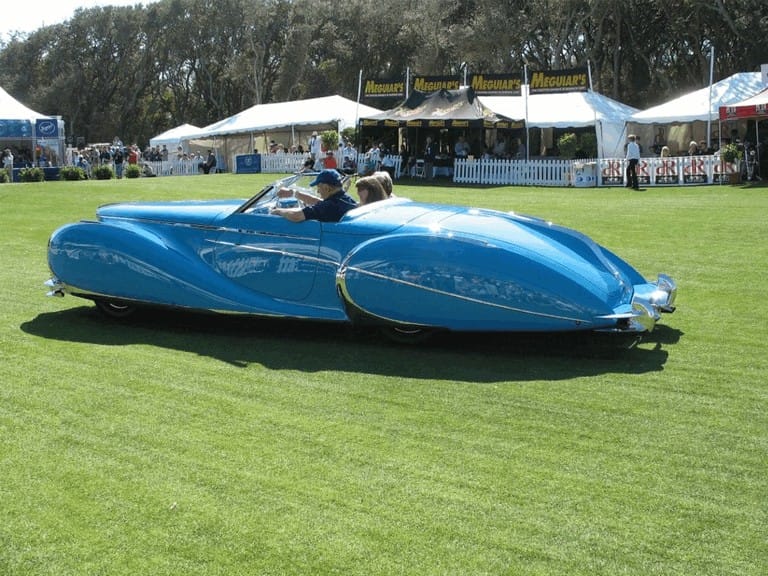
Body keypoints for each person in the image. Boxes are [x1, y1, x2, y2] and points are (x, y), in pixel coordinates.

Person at [271, 169, 356, 222]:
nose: (318, 191)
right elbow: (318, 202)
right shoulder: (347, 199)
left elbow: (297, 216)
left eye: (319, 187)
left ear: (326, 187)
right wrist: (293, 193)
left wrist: (278, 211)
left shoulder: (329, 206)